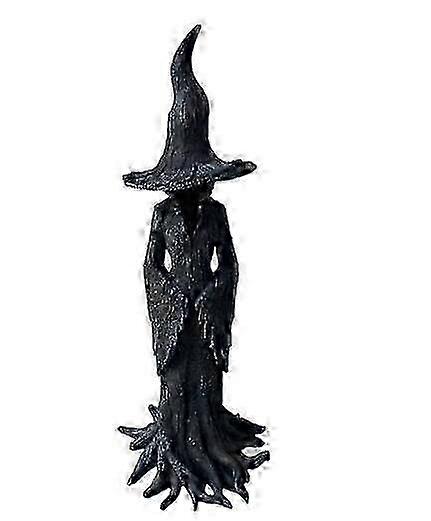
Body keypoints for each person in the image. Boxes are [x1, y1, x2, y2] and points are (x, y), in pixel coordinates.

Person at [119, 25, 269, 510]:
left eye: (197, 182)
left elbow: (230, 262)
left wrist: (212, 295)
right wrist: (169, 298)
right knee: (176, 379)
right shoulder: (162, 216)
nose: (189, 191)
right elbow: (150, 266)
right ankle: (172, 438)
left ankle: (208, 434)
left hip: (204, 311)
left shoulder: (216, 215)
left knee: (206, 379)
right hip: (174, 312)